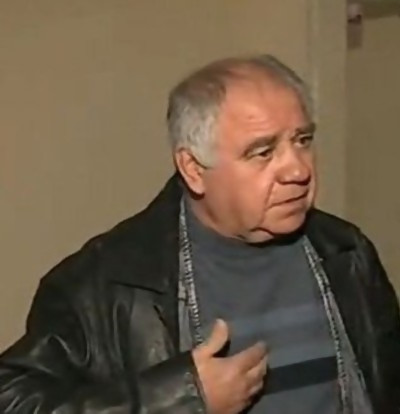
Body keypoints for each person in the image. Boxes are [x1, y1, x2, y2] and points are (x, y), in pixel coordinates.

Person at [0, 54, 399, 414]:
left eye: (302, 141)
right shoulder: (109, 282)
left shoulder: (346, 252)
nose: (298, 170)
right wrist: (179, 399)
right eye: (263, 152)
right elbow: (13, 399)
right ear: (193, 170)